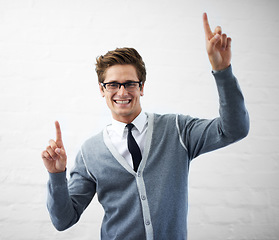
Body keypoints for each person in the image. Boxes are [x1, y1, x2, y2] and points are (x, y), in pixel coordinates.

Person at [41, 13, 249, 240]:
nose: (122, 92)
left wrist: (222, 71)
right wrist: (56, 175)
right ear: (102, 89)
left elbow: (234, 129)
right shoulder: (90, 153)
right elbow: (63, 220)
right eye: (112, 85)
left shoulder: (177, 130)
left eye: (130, 83)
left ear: (142, 87)